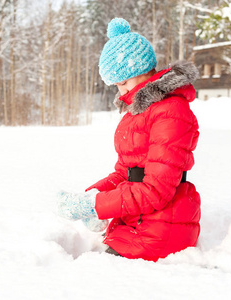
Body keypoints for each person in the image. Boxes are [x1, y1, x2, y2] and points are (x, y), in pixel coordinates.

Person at [57, 18, 201, 262]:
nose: (121, 92)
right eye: (116, 86)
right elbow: (125, 173)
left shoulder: (170, 112)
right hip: (139, 222)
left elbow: (156, 190)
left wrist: (98, 206)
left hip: (163, 228)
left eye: (124, 83)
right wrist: (91, 197)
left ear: (143, 70)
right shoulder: (138, 113)